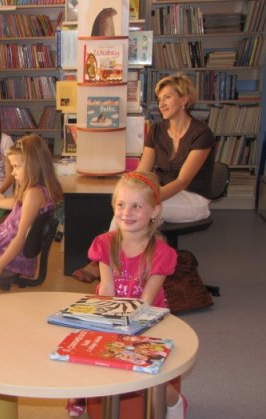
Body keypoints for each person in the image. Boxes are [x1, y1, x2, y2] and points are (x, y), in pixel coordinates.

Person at [66, 172, 186, 419]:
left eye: (136, 206)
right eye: (121, 205)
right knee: (79, 351)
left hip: (146, 319)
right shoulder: (105, 243)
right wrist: (104, 327)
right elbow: (106, 289)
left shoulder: (162, 253)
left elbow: (147, 300)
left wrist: (124, 337)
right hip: (110, 313)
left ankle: (176, 404)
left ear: (154, 211)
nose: (126, 212)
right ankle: (82, 392)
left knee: (142, 372)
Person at [72, 73, 215, 283]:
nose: (161, 103)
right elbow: (142, 171)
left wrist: (148, 199)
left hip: (193, 198)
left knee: (139, 210)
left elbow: (183, 181)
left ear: (184, 99)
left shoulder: (202, 133)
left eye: (167, 97)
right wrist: (128, 190)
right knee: (126, 211)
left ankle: (106, 266)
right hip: (161, 194)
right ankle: (123, 268)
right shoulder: (157, 130)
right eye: (159, 99)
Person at [0, 134, 62, 280]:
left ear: (32, 165)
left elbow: (21, 237)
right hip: (5, 243)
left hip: (9, 253)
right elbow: (17, 203)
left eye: (16, 166)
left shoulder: (34, 194)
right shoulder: (38, 190)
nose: (12, 173)